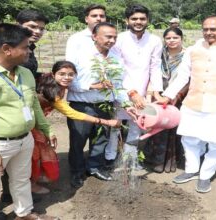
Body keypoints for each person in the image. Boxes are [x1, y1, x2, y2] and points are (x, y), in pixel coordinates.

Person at [0, 23, 58, 220]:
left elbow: (34, 105)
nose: (29, 51)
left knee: (21, 180)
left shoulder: (25, 73)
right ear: (7, 49)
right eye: (25, 47)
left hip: (24, 140)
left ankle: (24, 213)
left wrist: (46, 129)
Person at [159, 15, 216, 193]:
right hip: (193, 102)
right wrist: (167, 96)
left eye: (213, 29)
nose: (209, 33)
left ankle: (205, 174)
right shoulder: (193, 49)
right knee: (189, 139)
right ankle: (191, 170)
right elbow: (183, 76)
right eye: (205, 29)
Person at [31, 61, 120, 193]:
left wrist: (96, 85)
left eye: (70, 74)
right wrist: (105, 122)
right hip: (32, 124)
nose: (66, 77)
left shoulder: (57, 85)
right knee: (33, 154)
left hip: (39, 123)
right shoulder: (52, 90)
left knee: (37, 153)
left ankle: (33, 180)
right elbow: (72, 113)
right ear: (53, 73)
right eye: (62, 74)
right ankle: (31, 184)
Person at [66, 22, 129, 188]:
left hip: (104, 106)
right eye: (108, 36)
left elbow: (118, 85)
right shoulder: (80, 56)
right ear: (95, 36)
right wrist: (94, 85)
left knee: (101, 139)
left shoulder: (115, 60)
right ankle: (77, 172)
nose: (112, 40)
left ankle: (94, 167)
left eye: (114, 37)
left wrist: (126, 105)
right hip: (81, 105)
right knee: (78, 141)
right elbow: (69, 82)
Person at [111, 4, 163, 167]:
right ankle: (110, 159)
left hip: (144, 91)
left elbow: (155, 66)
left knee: (137, 125)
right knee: (115, 125)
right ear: (127, 20)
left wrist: (154, 91)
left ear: (147, 20)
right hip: (121, 90)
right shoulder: (118, 39)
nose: (138, 22)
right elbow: (117, 69)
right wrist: (131, 93)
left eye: (142, 18)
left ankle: (130, 161)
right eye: (134, 19)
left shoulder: (154, 40)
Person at [147, 27, 188, 173]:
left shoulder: (187, 55)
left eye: (175, 38)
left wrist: (176, 96)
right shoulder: (159, 54)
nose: (171, 41)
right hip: (157, 94)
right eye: (168, 38)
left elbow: (189, 78)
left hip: (179, 95)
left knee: (174, 128)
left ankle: (171, 161)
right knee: (156, 126)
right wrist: (156, 94)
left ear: (181, 38)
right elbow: (152, 72)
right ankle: (156, 161)